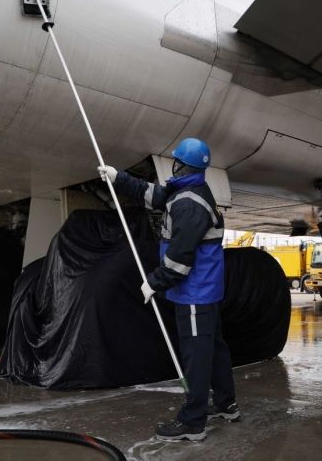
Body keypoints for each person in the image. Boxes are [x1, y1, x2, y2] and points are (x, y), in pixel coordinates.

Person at [98, 137, 239, 441]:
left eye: (176, 160)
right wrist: (118, 178)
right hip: (207, 291)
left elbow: (180, 258)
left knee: (196, 357)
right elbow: (155, 195)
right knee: (214, 349)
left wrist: (154, 282)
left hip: (195, 294)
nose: (172, 164)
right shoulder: (187, 192)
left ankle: (193, 422)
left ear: (182, 164)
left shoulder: (189, 203)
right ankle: (227, 404)